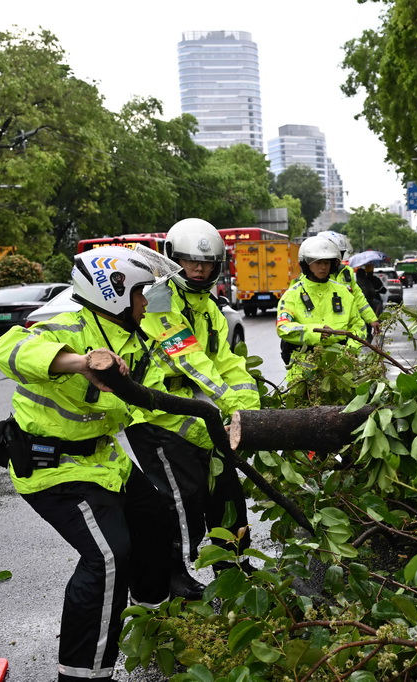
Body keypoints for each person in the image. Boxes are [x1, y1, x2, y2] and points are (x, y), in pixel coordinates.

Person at [0, 245, 179, 682]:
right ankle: (81, 675)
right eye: (140, 293)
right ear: (114, 292)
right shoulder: (65, 323)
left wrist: (216, 434)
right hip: (52, 470)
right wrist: (79, 363)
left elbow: (152, 406)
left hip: (102, 460)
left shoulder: (134, 340)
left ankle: (154, 620)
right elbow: (10, 349)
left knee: (156, 518)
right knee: (108, 557)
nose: (146, 302)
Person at [125, 218, 260, 595]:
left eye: (207, 263)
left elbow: (229, 361)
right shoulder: (157, 298)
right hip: (155, 416)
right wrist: (232, 405)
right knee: (184, 497)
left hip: (196, 418)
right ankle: (171, 573)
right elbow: (189, 359)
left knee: (227, 492)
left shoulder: (209, 306)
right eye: (190, 261)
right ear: (173, 259)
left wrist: (248, 409)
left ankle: (233, 562)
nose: (199, 269)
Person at [277, 235, 360, 384]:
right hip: (303, 372)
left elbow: (358, 325)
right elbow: (283, 327)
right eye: (318, 263)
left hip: (339, 368)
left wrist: (351, 350)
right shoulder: (292, 295)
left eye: (327, 263)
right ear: (306, 264)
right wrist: (316, 332)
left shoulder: (344, 293)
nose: (323, 267)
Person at [318, 230, 381, 340]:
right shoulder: (313, 277)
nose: (338, 258)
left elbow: (358, 297)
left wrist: (372, 319)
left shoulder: (346, 272)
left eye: (341, 254)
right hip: (323, 334)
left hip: (345, 333)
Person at [355, 263, 385, 342]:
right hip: (369, 303)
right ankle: (369, 334)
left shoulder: (355, 283)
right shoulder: (367, 282)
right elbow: (372, 292)